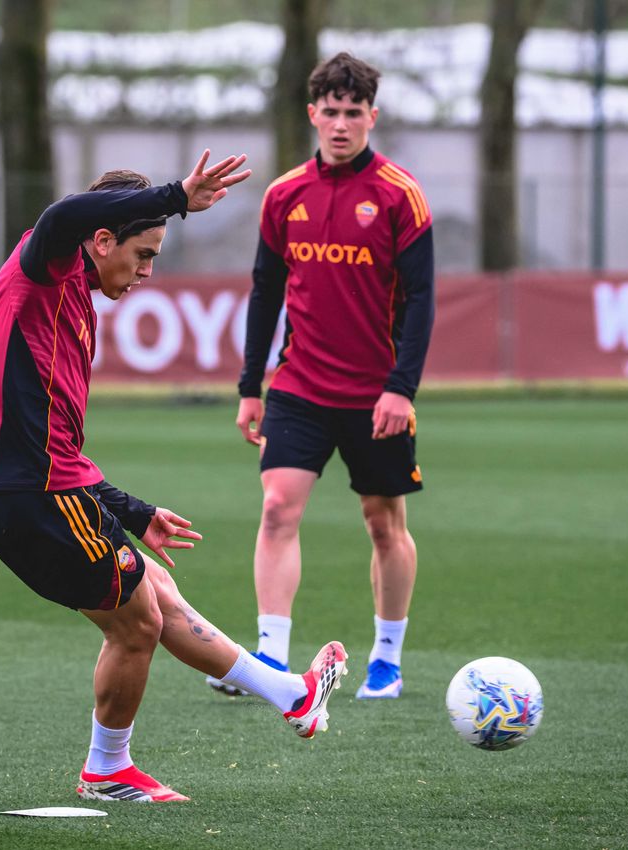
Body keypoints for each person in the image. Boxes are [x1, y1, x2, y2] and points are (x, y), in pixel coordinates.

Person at [0, 150, 349, 804]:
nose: (148, 270)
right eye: (142, 254)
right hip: (34, 497)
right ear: (102, 240)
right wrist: (175, 194)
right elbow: (63, 216)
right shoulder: (45, 269)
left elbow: (59, 443)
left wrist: (134, 512)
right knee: (137, 621)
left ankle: (293, 697)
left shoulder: (75, 306)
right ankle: (108, 769)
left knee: (154, 588)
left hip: (42, 493)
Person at [210, 53, 434, 701]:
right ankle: (272, 661)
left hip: (376, 396)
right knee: (278, 507)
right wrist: (251, 386)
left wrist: (402, 387)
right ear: (312, 114)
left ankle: (386, 661)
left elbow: (421, 300)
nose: (340, 125)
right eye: (330, 112)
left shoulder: (400, 195)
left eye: (353, 113)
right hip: (300, 387)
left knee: (382, 522)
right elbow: (264, 291)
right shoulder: (284, 195)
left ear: (372, 116)